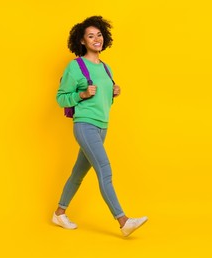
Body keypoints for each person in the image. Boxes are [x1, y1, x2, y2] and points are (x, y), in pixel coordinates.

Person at [53, 16, 147, 237]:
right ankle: (123, 222)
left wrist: (114, 93)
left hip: (102, 126)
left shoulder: (106, 68)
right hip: (85, 125)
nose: (97, 39)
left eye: (99, 34)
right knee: (104, 170)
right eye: (90, 36)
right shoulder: (76, 66)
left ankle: (59, 213)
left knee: (78, 173)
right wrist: (82, 94)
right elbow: (61, 98)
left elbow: (103, 100)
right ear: (82, 41)